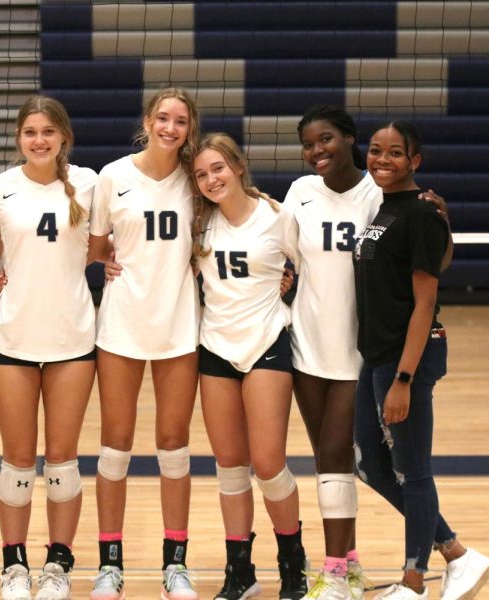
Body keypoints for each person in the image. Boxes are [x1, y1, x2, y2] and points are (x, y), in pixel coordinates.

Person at [285, 106, 452, 600]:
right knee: (337, 460)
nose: (318, 150)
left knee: (357, 458)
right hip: (307, 342)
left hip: (367, 350)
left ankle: (347, 570)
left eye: (327, 139)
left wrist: (445, 222)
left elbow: (428, 260)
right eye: (309, 143)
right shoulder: (299, 193)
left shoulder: (380, 194)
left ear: (349, 139)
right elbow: (279, 249)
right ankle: (349, 564)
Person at [353, 121, 489, 600]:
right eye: (375, 151)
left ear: (415, 161)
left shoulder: (419, 212)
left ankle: (413, 582)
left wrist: (404, 378)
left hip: (405, 358)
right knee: (370, 465)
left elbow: (426, 298)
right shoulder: (389, 208)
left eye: (396, 153)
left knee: (413, 469)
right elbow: (432, 259)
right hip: (377, 354)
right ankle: (455, 552)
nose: (382, 160)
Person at [0, 95, 97, 600]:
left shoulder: (90, 183)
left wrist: (112, 263)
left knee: (63, 460)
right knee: (18, 461)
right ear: (19, 138)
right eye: (30, 132)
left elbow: (109, 241)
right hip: (12, 336)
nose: (40, 140)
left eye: (49, 131)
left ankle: (58, 565)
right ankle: (14, 566)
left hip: (72, 337)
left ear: (63, 137)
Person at [87, 87, 201, 600]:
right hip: (122, 324)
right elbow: (93, 245)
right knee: (115, 445)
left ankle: (174, 563)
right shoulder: (113, 176)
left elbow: (246, 205)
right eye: (162, 118)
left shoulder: (197, 179)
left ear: (189, 129)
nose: (170, 128)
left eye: (180, 121)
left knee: (174, 446)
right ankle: (110, 563)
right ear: (147, 121)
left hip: (179, 326)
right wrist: (108, 258)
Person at [187, 132, 307, 600]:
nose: (211, 179)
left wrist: (290, 288)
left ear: (237, 166)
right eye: (201, 174)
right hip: (216, 347)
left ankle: (292, 567)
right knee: (230, 468)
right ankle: (241, 573)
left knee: (269, 463)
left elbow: (308, 273)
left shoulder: (278, 218)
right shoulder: (200, 226)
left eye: (218, 168)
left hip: (267, 346)